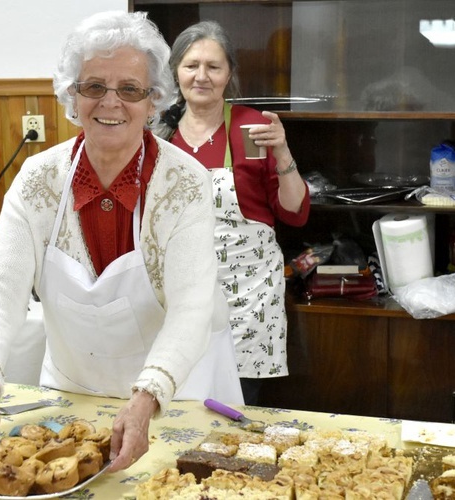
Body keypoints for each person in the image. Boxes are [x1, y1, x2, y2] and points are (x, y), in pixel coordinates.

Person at [0, 11, 243, 473]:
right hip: (72, 396)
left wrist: (147, 397)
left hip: (175, 396)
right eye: (94, 86)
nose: (110, 103)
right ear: (72, 94)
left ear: (153, 101)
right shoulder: (38, 179)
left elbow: (191, 308)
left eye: (129, 89)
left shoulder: (185, 182)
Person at [156, 21, 310, 406]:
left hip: (247, 294)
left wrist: (283, 152)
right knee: (180, 400)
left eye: (214, 67)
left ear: (229, 75)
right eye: (192, 66)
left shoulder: (251, 128)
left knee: (237, 408)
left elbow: (295, 213)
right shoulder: (160, 135)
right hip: (181, 293)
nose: (202, 76)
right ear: (176, 71)